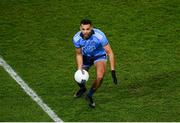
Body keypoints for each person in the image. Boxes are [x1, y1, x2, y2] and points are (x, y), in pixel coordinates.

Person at [72, 19, 117, 108]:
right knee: (78, 77)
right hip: (85, 57)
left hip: (99, 56)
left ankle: (90, 95)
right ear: (80, 28)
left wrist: (113, 71)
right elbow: (79, 54)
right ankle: (82, 88)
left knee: (100, 77)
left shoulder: (99, 36)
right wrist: (79, 69)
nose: (85, 31)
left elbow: (110, 52)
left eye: (87, 29)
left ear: (91, 28)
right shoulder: (76, 38)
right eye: (83, 29)